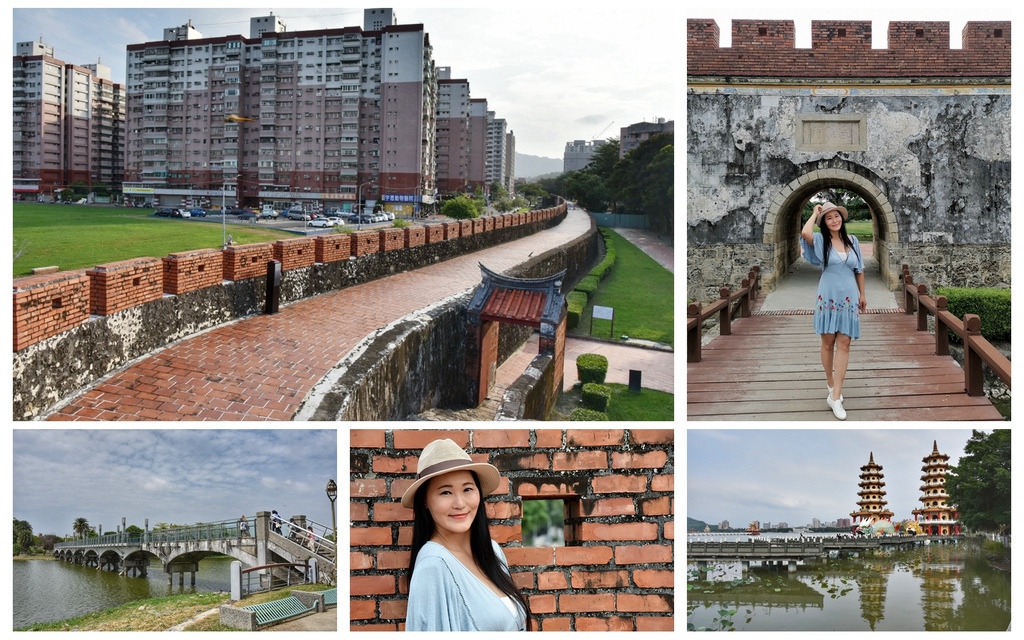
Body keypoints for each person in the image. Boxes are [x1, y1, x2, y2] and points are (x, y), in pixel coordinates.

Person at [403, 438, 530, 631]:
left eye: (468, 489)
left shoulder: (493, 551)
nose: (460, 503)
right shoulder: (433, 566)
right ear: (425, 502)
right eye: (445, 492)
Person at [800, 202, 866, 420]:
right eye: (829, 218)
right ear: (825, 223)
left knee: (845, 343)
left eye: (836, 216)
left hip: (849, 298)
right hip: (828, 296)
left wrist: (862, 294)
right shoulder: (821, 241)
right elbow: (805, 232)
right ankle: (830, 384)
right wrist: (814, 213)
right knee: (828, 342)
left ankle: (836, 396)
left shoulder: (853, 241)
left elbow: (859, 269)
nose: (834, 220)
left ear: (842, 218)